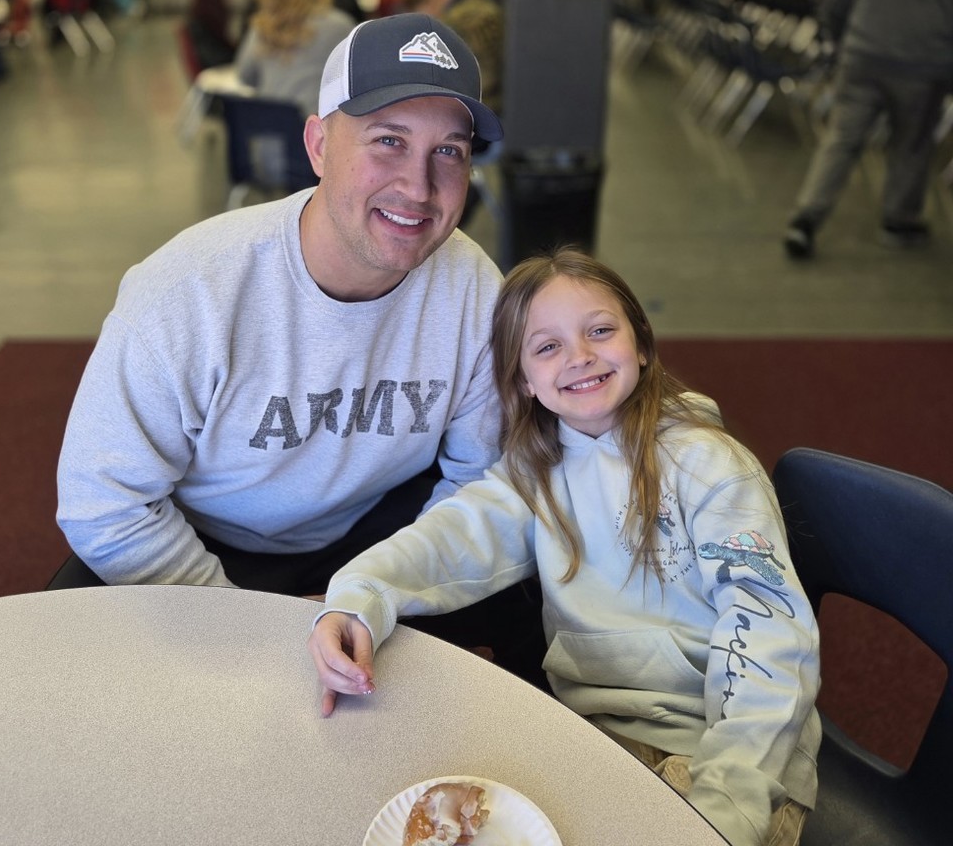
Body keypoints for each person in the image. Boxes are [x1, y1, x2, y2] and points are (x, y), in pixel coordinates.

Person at [56, 12, 544, 678]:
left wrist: (370, 593)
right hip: (200, 539)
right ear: (318, 145)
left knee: (533, 597)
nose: (419, 187)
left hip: (375, 532)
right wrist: (256, 626)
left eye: (449, 152)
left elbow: (475, 478)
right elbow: (103, 501)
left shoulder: (471, 289)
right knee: (67, 676)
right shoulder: (189, 293)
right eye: (388, 140)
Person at [308, 248, 822, 846]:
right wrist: (358, 595)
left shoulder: (710, 465)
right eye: (547, 347)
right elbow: (449, 538)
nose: (579, 356)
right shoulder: (537, 469)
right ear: (523, 380)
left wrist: (728, 801)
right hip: (592, 741)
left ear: (642, 344)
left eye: (600, 331)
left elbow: (771, 638)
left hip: (718, 761)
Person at [783, 0, 953, 260]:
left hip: (863, 52)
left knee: (842, 138)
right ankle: (899, 220)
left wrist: (835, 35)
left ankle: (805, 219)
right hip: (925, 61)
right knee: (911, 144)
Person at [235, 0, 355, 119]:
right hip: (320, 141)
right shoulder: (339, 26)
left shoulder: (262, 26)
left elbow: (245, 76)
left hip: (270, 137)